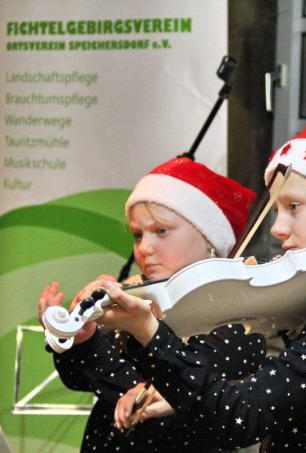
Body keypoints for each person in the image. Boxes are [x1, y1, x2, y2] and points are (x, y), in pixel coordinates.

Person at [99, 113, 306, 452]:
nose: (277, 228)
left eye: (293, 207)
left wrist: (147, 330)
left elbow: (242, 417)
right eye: (276, 211)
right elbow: (297, 391)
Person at [37, 157, 266, 452]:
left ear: (209, 238)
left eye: (161, 231)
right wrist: (77, 338)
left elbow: (153, 404)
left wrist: (95, 343)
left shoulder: (237, 319)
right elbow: (80, 380)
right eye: (137, 234)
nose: (144, 249)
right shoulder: (134, 292)